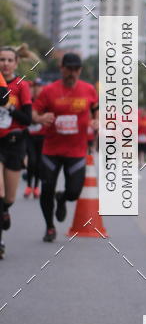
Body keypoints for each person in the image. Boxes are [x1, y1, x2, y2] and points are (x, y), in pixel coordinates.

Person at [32, 52, 98, 242]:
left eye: (76, 69)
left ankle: (62, 199)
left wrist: (96, 120)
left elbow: (96, 109)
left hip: (76, 150)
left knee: (73, 192)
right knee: (47, 188)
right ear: (62, 68)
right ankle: (50, 227)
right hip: (51, 150)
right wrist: (41, 118)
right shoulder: (48, 91)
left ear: (80, 70)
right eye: (69, 68)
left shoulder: (88, 89)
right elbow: (35, 112)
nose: (72, 73)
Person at [0, 47, 29, 257]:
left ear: (16, 63)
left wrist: (10, 108)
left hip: (14, 143)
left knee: (9, 198)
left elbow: (27, 119)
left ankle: (5, 210)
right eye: (1, 60)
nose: (5, 64)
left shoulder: (21, 86)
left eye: (10, 60)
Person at [24, 79, 45, 198]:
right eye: (34, 86)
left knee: (38, 163)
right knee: (31, 161)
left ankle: (36, 187)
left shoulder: (45, 101)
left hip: (42, 136)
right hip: (29, 136)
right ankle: (28, 186)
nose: (36, 89)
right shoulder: (27, 101)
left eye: (39, 86)